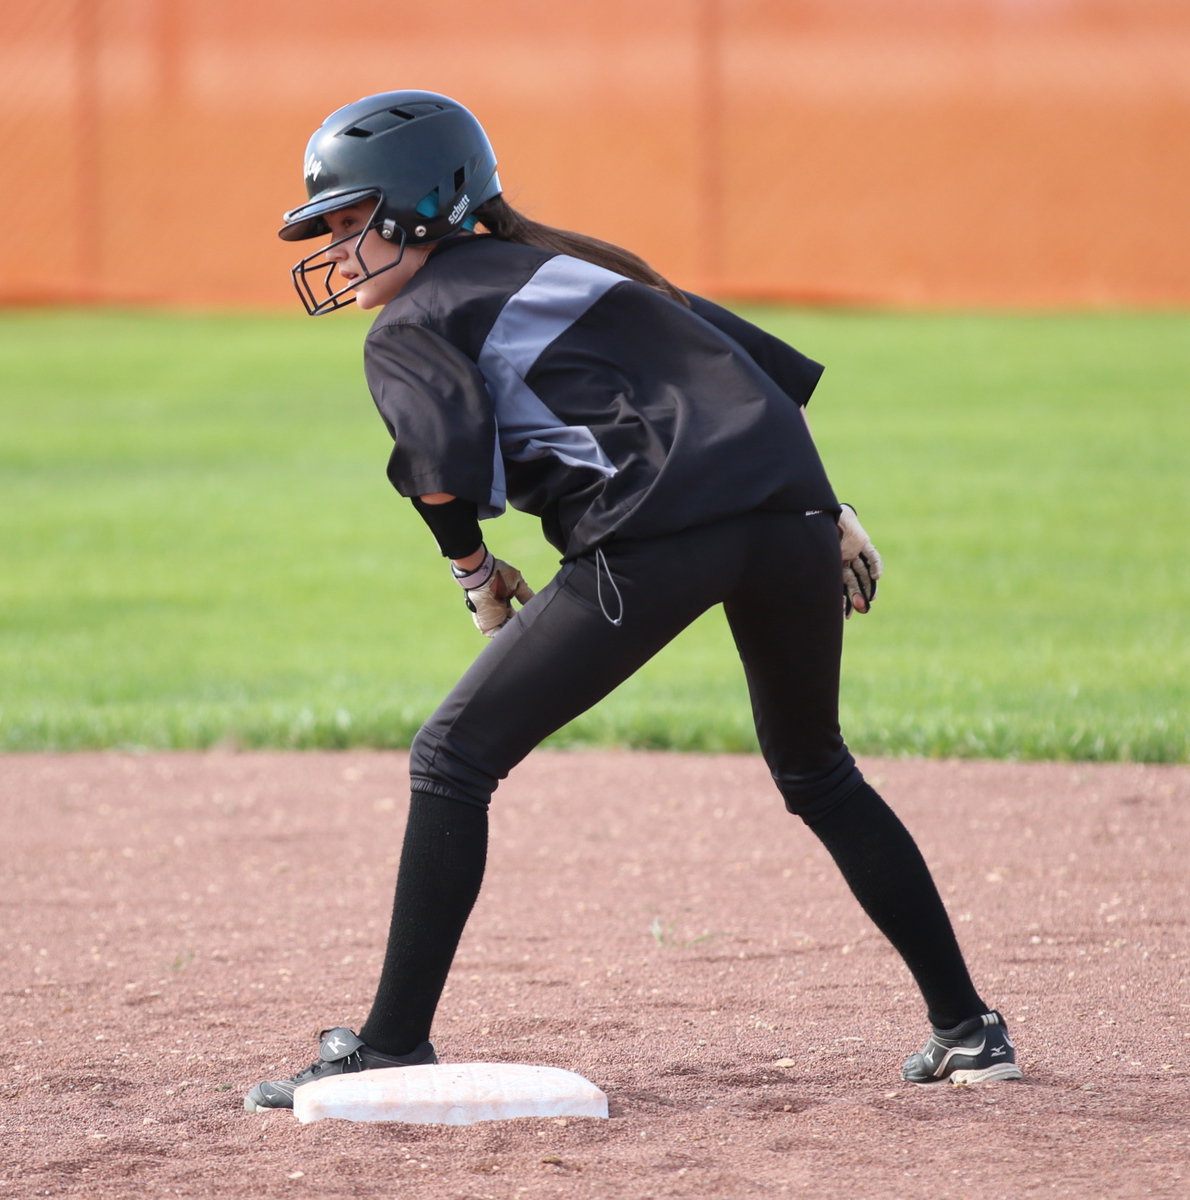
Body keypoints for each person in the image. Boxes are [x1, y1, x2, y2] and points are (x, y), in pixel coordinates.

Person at [245, 90, 1020, 1111]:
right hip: (786, 518)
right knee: (817, 771)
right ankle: (967, 1031)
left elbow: (439, 465)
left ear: (423, 209)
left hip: (658, 538)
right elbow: (737, 375)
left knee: (451, 756)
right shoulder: (578, 266)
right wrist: (827, 509)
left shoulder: (414, 321)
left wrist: (475, 575)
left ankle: (392, 1043)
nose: (336, 251)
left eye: (350, 223)